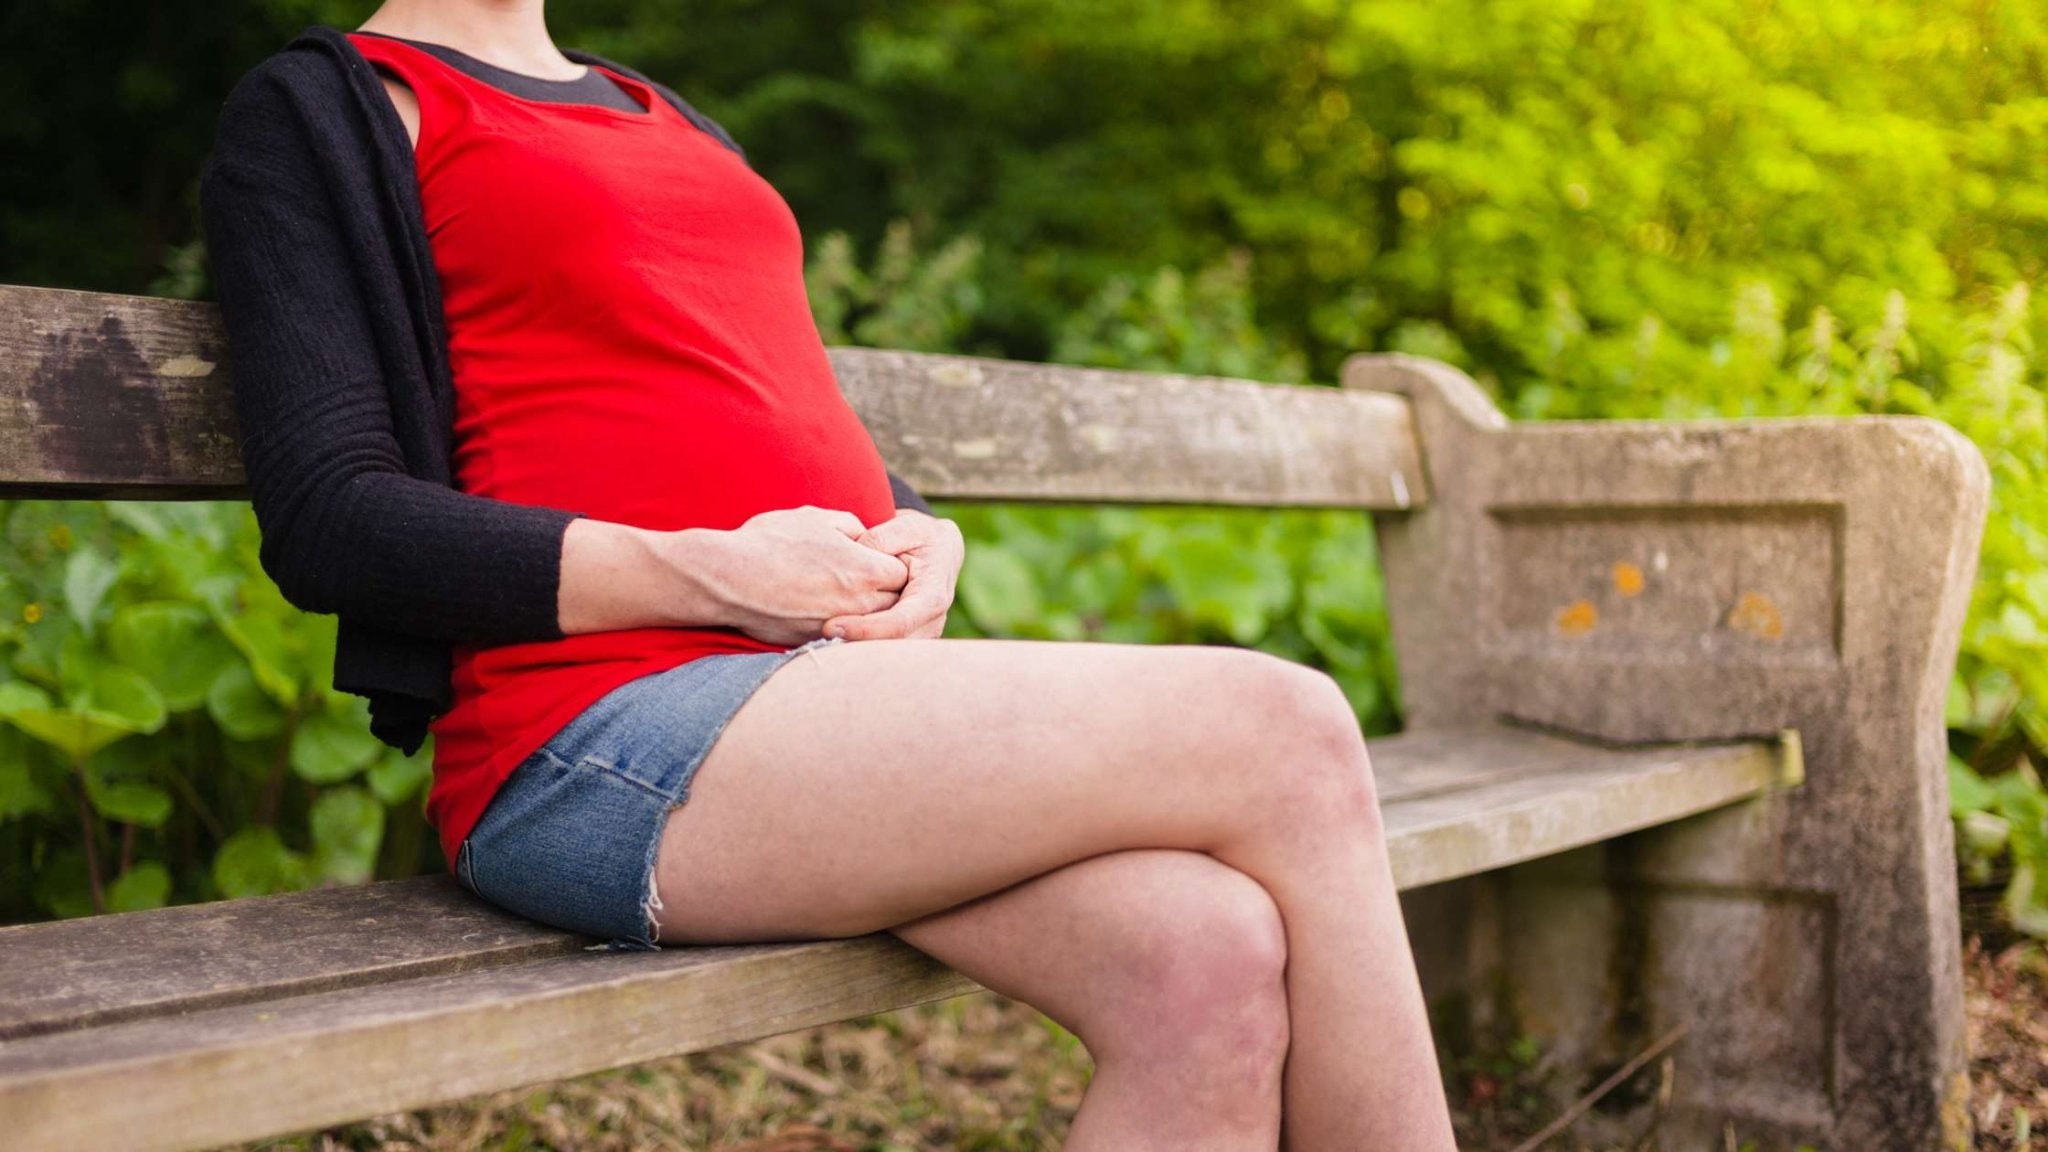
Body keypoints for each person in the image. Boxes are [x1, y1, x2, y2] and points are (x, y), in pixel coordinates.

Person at [198, 1, 1460, 1148]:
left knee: (1205, 958)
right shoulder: (333, 108)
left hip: (815, 698)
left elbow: (750, 388)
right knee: (1286, 729)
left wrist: (913, 526)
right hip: (590, 730)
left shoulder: (662, 111)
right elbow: (331, 518)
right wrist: (708, 577)